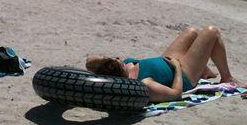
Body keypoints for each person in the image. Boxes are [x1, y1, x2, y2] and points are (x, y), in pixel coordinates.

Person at [85, 26, 239, 103]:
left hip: (168, 60)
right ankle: (226, 77)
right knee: (211, 32)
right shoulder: (144, 84)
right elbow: (175, 94)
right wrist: (177, 69)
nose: (120, 58)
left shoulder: (125, 66)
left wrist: (106, 62)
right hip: (184, 75)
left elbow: (89, 62)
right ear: (119, 73)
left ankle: (204, 71)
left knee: (191, 32)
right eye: (118, 60)